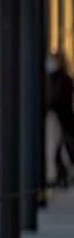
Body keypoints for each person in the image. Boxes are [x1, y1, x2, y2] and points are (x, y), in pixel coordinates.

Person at [44, 51, 73, 187]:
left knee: (60, 149)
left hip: (60, 118)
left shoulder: (62, 80)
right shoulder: (51, 79)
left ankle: (60, 176)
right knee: (59, 151)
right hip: (59, 119)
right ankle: (59, 176)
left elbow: (57, 99)